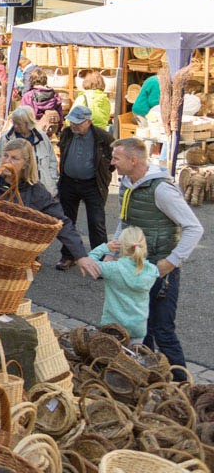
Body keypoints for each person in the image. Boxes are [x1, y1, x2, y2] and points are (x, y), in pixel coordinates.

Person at [78, 138, 203, 370]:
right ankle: (147, 380)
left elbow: (194, 228)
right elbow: (125, 220)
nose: (112, 162)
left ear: (133, 160)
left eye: (116, 158)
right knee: (141, 331)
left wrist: (171, 262)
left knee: (162, 331)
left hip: (159, 269)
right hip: (134, 265)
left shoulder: (162, 190)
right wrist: (113, 250)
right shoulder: (127, 183)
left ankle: (182, 386)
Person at [0, 138, 87, 263]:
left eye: (14, 158)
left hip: (18, 257)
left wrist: (81, 256)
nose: (7, 161)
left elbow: (61, 222)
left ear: (26, 164)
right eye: (5, 156)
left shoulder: (36, 191)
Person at [55, 103, 114, 271]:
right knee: (67, 221)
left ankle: (99, 260)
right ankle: (68, 256)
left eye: (78, 122)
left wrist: (104, 175)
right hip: (68, 183)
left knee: (96, 223)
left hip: (92, 184)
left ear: (88, 121)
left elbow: (112, 160)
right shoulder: (67, 133)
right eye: (72, 121)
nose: (74, 125)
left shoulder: (103, 137)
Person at [85, 227, 159, 346]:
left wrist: (105, 248)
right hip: (138, 328)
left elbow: (89, 262)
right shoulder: (152, 271)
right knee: (131, 361)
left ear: (121, 247)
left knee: (110, 359)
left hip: (113, 326)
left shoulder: (113, 269)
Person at [0, 106, 59, 195]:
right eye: (14, 123)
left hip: (43, 188)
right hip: (15, 189)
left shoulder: (42, 138)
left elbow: (52, 161)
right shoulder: (5, 138)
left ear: (29, 124)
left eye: (19, 124)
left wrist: (52, 179)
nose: (15, 126)